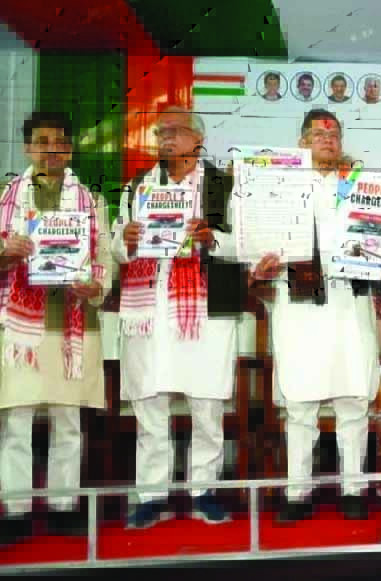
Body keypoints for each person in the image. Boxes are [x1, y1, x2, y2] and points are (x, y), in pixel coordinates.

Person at [113, 106, 245, 529]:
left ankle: (204, 491)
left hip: (207, 307)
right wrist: (125, 240)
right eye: (161, 132)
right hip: (150, 309)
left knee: (207, 404)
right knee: (150, 406)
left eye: (175, 130)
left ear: (198, 139)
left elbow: (246, 242)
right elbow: (116, 246)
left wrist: (213, 238)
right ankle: (152, 495)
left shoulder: (224, 185)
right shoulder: (138, 186)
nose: (166, 138)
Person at [251, 109, 381, 522]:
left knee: (353, 400)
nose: (328, 139)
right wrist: (260, 266)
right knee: (300, 404)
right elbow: (255, 245)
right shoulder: (276, 188)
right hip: (298, 303)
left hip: (349, 302)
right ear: (301, 143)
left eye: (334, 134)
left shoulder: (361, 187)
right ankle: (297, 492)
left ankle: (354, 489)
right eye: (318, 134)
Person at [0, 112, 112, 546]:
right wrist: (6, 254)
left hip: (72, 321)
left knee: (68, 419)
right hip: (19, 327)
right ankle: (15, 509)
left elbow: (103, 256)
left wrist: (95, 284)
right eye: (43, 142)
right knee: (17, 420)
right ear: (27, 148)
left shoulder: (92, 201)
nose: (52, 150)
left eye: (60, 142)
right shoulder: (5, 197)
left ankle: (64, 505)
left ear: (70, 149)